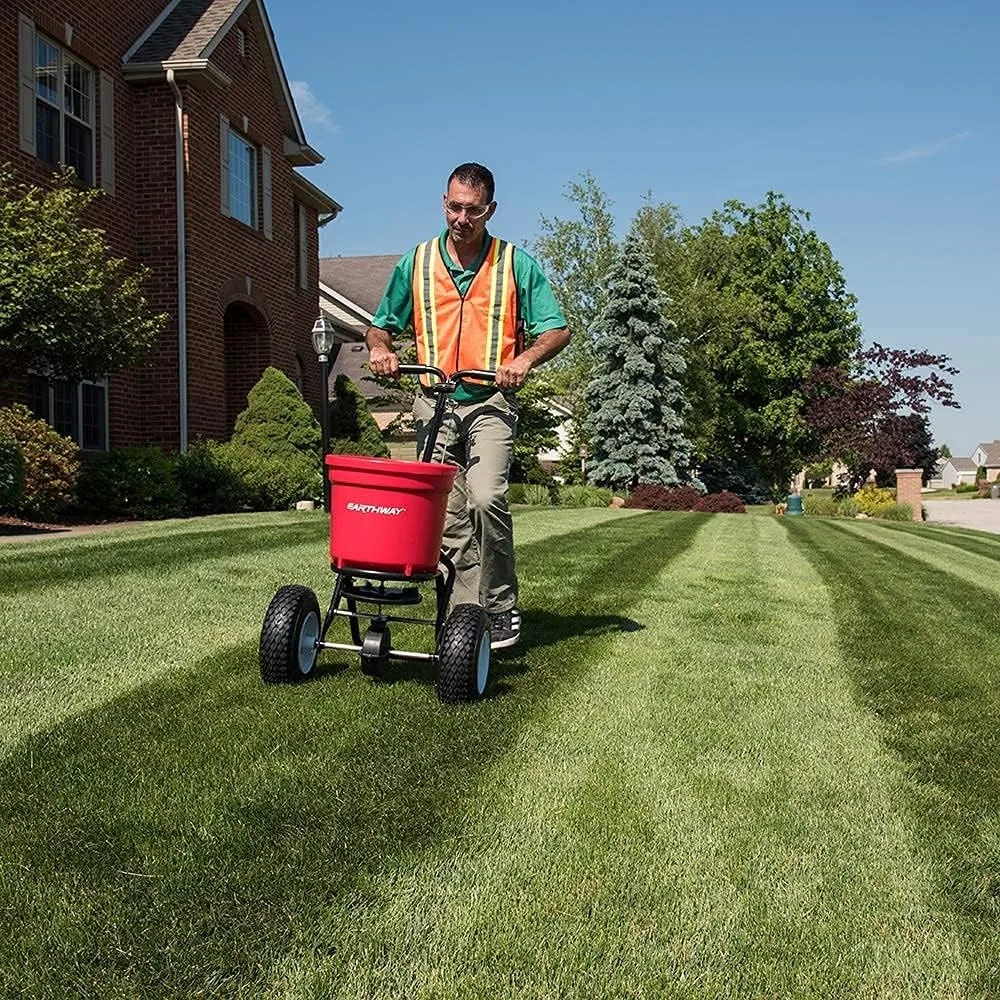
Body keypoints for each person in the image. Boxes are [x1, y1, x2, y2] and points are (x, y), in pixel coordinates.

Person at [366, 162, 571, 649]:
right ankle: (465, 615)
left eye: (473, 211)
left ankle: (500, 605)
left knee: (485, 497)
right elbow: (380, 323)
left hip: (490, 403)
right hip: (432, 402)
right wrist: (380, 348)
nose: (461, 218)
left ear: (490, 211)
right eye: (454, 207)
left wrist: (523, 360)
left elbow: (557, 328)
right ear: (444, 203)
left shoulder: (514, 263)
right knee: (448, 514)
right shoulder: (416, 262)